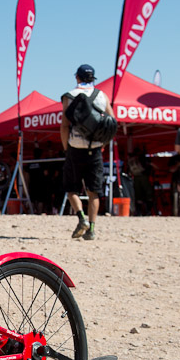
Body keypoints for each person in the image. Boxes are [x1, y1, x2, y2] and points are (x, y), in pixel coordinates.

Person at [60, 64, 114, 241]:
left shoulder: (70, 96)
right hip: (96, 148)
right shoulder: (102, 96)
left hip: (75, 147)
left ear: (77, 77)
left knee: (71, 188)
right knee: (94, 191)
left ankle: (81, 218)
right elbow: (112, 122)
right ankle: (91, 228)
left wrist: (66, 148)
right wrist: (103, 142)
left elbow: (65, 126)